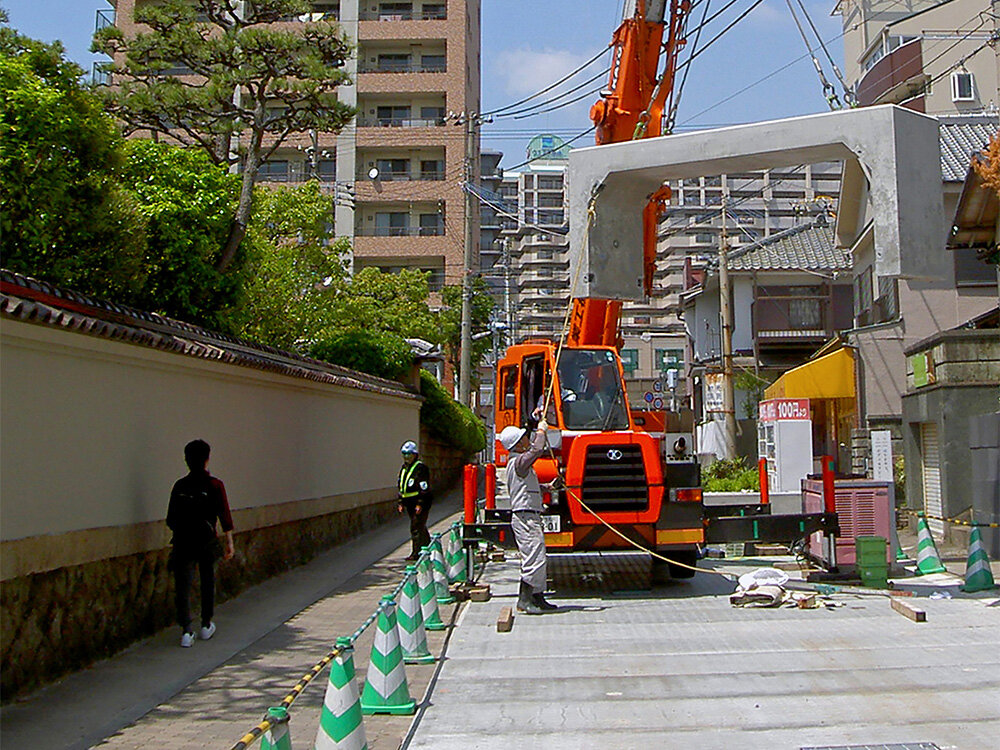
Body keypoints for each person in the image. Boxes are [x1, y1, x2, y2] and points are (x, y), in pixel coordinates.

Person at [166, 439, 235, 648]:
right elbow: (224, 516)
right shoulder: (215, 485)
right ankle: (206, 624)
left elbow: (170, 518)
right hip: (206, 540)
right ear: (207, 459)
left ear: (186, 460)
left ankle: (186, 630)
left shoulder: (180, 486)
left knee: (183, 585)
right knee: (207, 580)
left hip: (183, 541)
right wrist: (229, 543)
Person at [499, 421, 558, 614]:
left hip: (529, 515)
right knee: (533, 557)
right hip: (525, 517)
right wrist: (541, 430)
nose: (526, 440)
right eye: (523, 438)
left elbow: (527, 487)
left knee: (539, 556)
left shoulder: (519, 465)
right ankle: (525, 599)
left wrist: (547, 487)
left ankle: (537, 596)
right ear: (517, 444)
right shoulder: (519, 462)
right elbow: (537, 449)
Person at [397, 440, 432, 561]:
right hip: (409, 503)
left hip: (419, 502)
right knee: (420, 526)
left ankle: (416, 553)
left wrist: (420, 503)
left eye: (409, 454)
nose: (406, 457)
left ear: (415, 455)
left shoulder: (420, 468)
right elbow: (401, 485)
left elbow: (424, 487)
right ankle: (428, 547)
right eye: (404, 454)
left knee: (415, 527)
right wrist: (400, 502)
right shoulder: (404, 468)